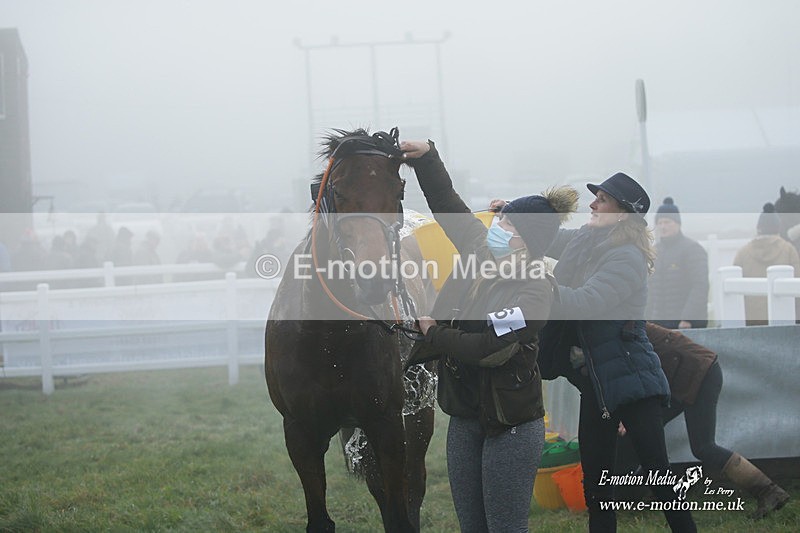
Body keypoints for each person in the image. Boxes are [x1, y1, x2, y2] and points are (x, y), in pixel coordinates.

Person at [402, 139, 578, 532]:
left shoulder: (536, 287)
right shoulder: (480, 253)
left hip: (511, 425)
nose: (495, 225)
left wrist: (433, 332)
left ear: (525, 238)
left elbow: (490, 350)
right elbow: (450, 208)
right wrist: (427, 159)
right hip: (465, 415)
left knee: (505, 527)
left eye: (507, 223)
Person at [537, 173, 697, 532]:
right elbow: (549, 239)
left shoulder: (626, 257)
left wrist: (542, 289)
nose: (592, 204)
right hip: (598, 381)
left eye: (602, 199)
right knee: (596, 485)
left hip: (631, 381)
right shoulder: (588, 242)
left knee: (660, 477)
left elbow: (587, 302)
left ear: (622, 214)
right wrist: (513, 216)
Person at [615, 322, 790, 519]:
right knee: (644, 431)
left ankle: (768, 492)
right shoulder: (616, 332)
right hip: (680, 377)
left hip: (699, 373)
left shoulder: (622, 330)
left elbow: (641, 374)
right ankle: (654, 494)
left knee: (703, 446)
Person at [646, 197, 709, 329]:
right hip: (659, 323)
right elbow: (650, 289)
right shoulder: (654, 251)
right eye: (660, 223)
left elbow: (700, 286)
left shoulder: (692, 249)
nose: (663, 227)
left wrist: (688, 318)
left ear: (678, 223)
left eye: (667, 222)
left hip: (684, 324)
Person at [733, 203, 800, 325]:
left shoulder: (742, 253)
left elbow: (734, 294)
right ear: (778, 227)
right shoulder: (789, 250)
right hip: (785, 322)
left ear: (758, 228)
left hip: (752, 324)